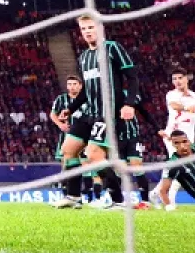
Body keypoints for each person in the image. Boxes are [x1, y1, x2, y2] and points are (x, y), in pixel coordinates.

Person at [55, 16, 140, 210]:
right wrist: (71, 109)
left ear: (100, 28)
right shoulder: (84, 57)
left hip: (107, 114)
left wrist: (129, 104)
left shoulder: (113, 48)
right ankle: (73, 196)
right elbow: (86, 90)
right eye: (84, 29)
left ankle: (118, 200)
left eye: (91, 27)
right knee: (68, 150)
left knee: (93, 155)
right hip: (88, 114)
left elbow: (133, 77)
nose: (87, 31)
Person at [158, 67, 195, 210]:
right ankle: (170, 202)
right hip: (173, 136)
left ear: (187, 78)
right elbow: (174, 105)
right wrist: (188, 108)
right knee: (180, 166)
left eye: (180, 78)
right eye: (174, 79)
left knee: (179, 168)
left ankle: (156, 192)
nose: (177, 81)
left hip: (188, 139)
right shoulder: (171, 94)